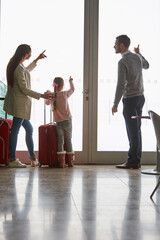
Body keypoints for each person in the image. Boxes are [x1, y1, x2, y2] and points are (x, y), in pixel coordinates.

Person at [3, 44, 52, 168]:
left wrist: (36, 60)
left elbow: (26, 71)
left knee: (29, 129)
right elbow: (24, 89)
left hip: (19, 104)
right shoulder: (18, 68)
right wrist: (42, 95)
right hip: (20, 105)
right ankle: (12, 159)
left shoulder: (16, 65)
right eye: (30, 53)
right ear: (25, 53)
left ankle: (32, 158)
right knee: (15, 130)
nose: (30, 54)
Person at [112, 35, 149, 169]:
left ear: (122, 45)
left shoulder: (122, 62)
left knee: (132, 131)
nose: (114, 46)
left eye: (116, 44)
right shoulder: (137, 57)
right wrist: (139, 53)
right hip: (140, 98)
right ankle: (136, 160)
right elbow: (147, 66)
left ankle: (133, 161)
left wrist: (115, 104)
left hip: (130, 99)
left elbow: (121, 84)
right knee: (136, 130)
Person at [45, 76, 75, 168]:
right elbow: (72, 89)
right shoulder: (65, 94)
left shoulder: (52, 95)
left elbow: (47, 103)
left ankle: (61, 163)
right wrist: (70, 81)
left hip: (58, 122)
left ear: (54, 85)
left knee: (60, 141)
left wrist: (47, 94)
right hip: (68, 121)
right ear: (62, 86)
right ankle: (70, 162)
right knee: (68, 140)